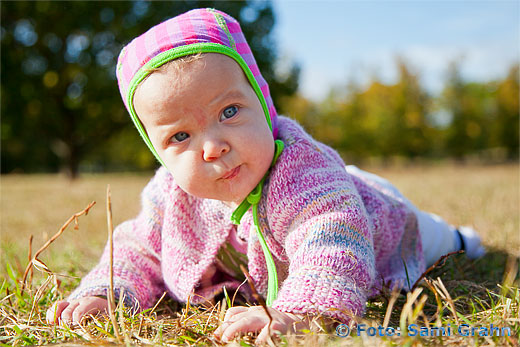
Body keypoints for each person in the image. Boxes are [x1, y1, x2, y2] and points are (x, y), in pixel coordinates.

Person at [46, 8, 485, 343]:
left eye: (229, 111)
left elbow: (329, 237)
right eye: (180, 134)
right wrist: (110, 293)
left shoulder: (300, 170)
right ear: (155, 149)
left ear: (262, 100)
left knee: (436, 239)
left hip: (375, 212)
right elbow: (138, 248)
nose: (212, 145)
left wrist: (300, 313)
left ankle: (464, 237)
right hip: (331, 199)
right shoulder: (171, 196)